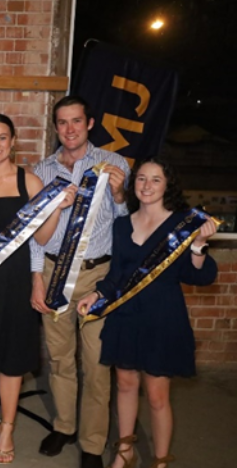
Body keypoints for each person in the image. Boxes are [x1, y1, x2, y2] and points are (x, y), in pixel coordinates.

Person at [77, 159, 217, 468]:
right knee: (125, 385)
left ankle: (160, 461)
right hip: (126, 315)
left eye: (155, 180)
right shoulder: (122, 224)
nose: (147, 185)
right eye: (141, 179)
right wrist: (97, 293)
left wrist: (199, 246)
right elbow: (117, 275)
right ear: (133, 184)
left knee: (156, 396)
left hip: (162, 317)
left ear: (168, 185)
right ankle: (125, 451)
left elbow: (200, 277)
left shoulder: (182, 224)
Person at [0, 114, 75, 465]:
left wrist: (56, 210)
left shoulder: (30, 181)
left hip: (15, 279)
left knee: (12, 358)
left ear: (13, 142)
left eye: (2, 138)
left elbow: (41, 237)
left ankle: (7, 426)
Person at [30, 96, 130, 468]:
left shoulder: (115, 164)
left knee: (96, 363)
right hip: (54, 272)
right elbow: (34, 233)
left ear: (89, 123)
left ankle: (92, 444)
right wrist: (37, 280)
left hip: (97, 276)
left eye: (76, 121)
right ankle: (65, 425)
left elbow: (127, 224)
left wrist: (120, 195)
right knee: (59, 360)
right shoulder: (41, 170)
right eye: (62, 122)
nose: (69, 129)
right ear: (55, 127)